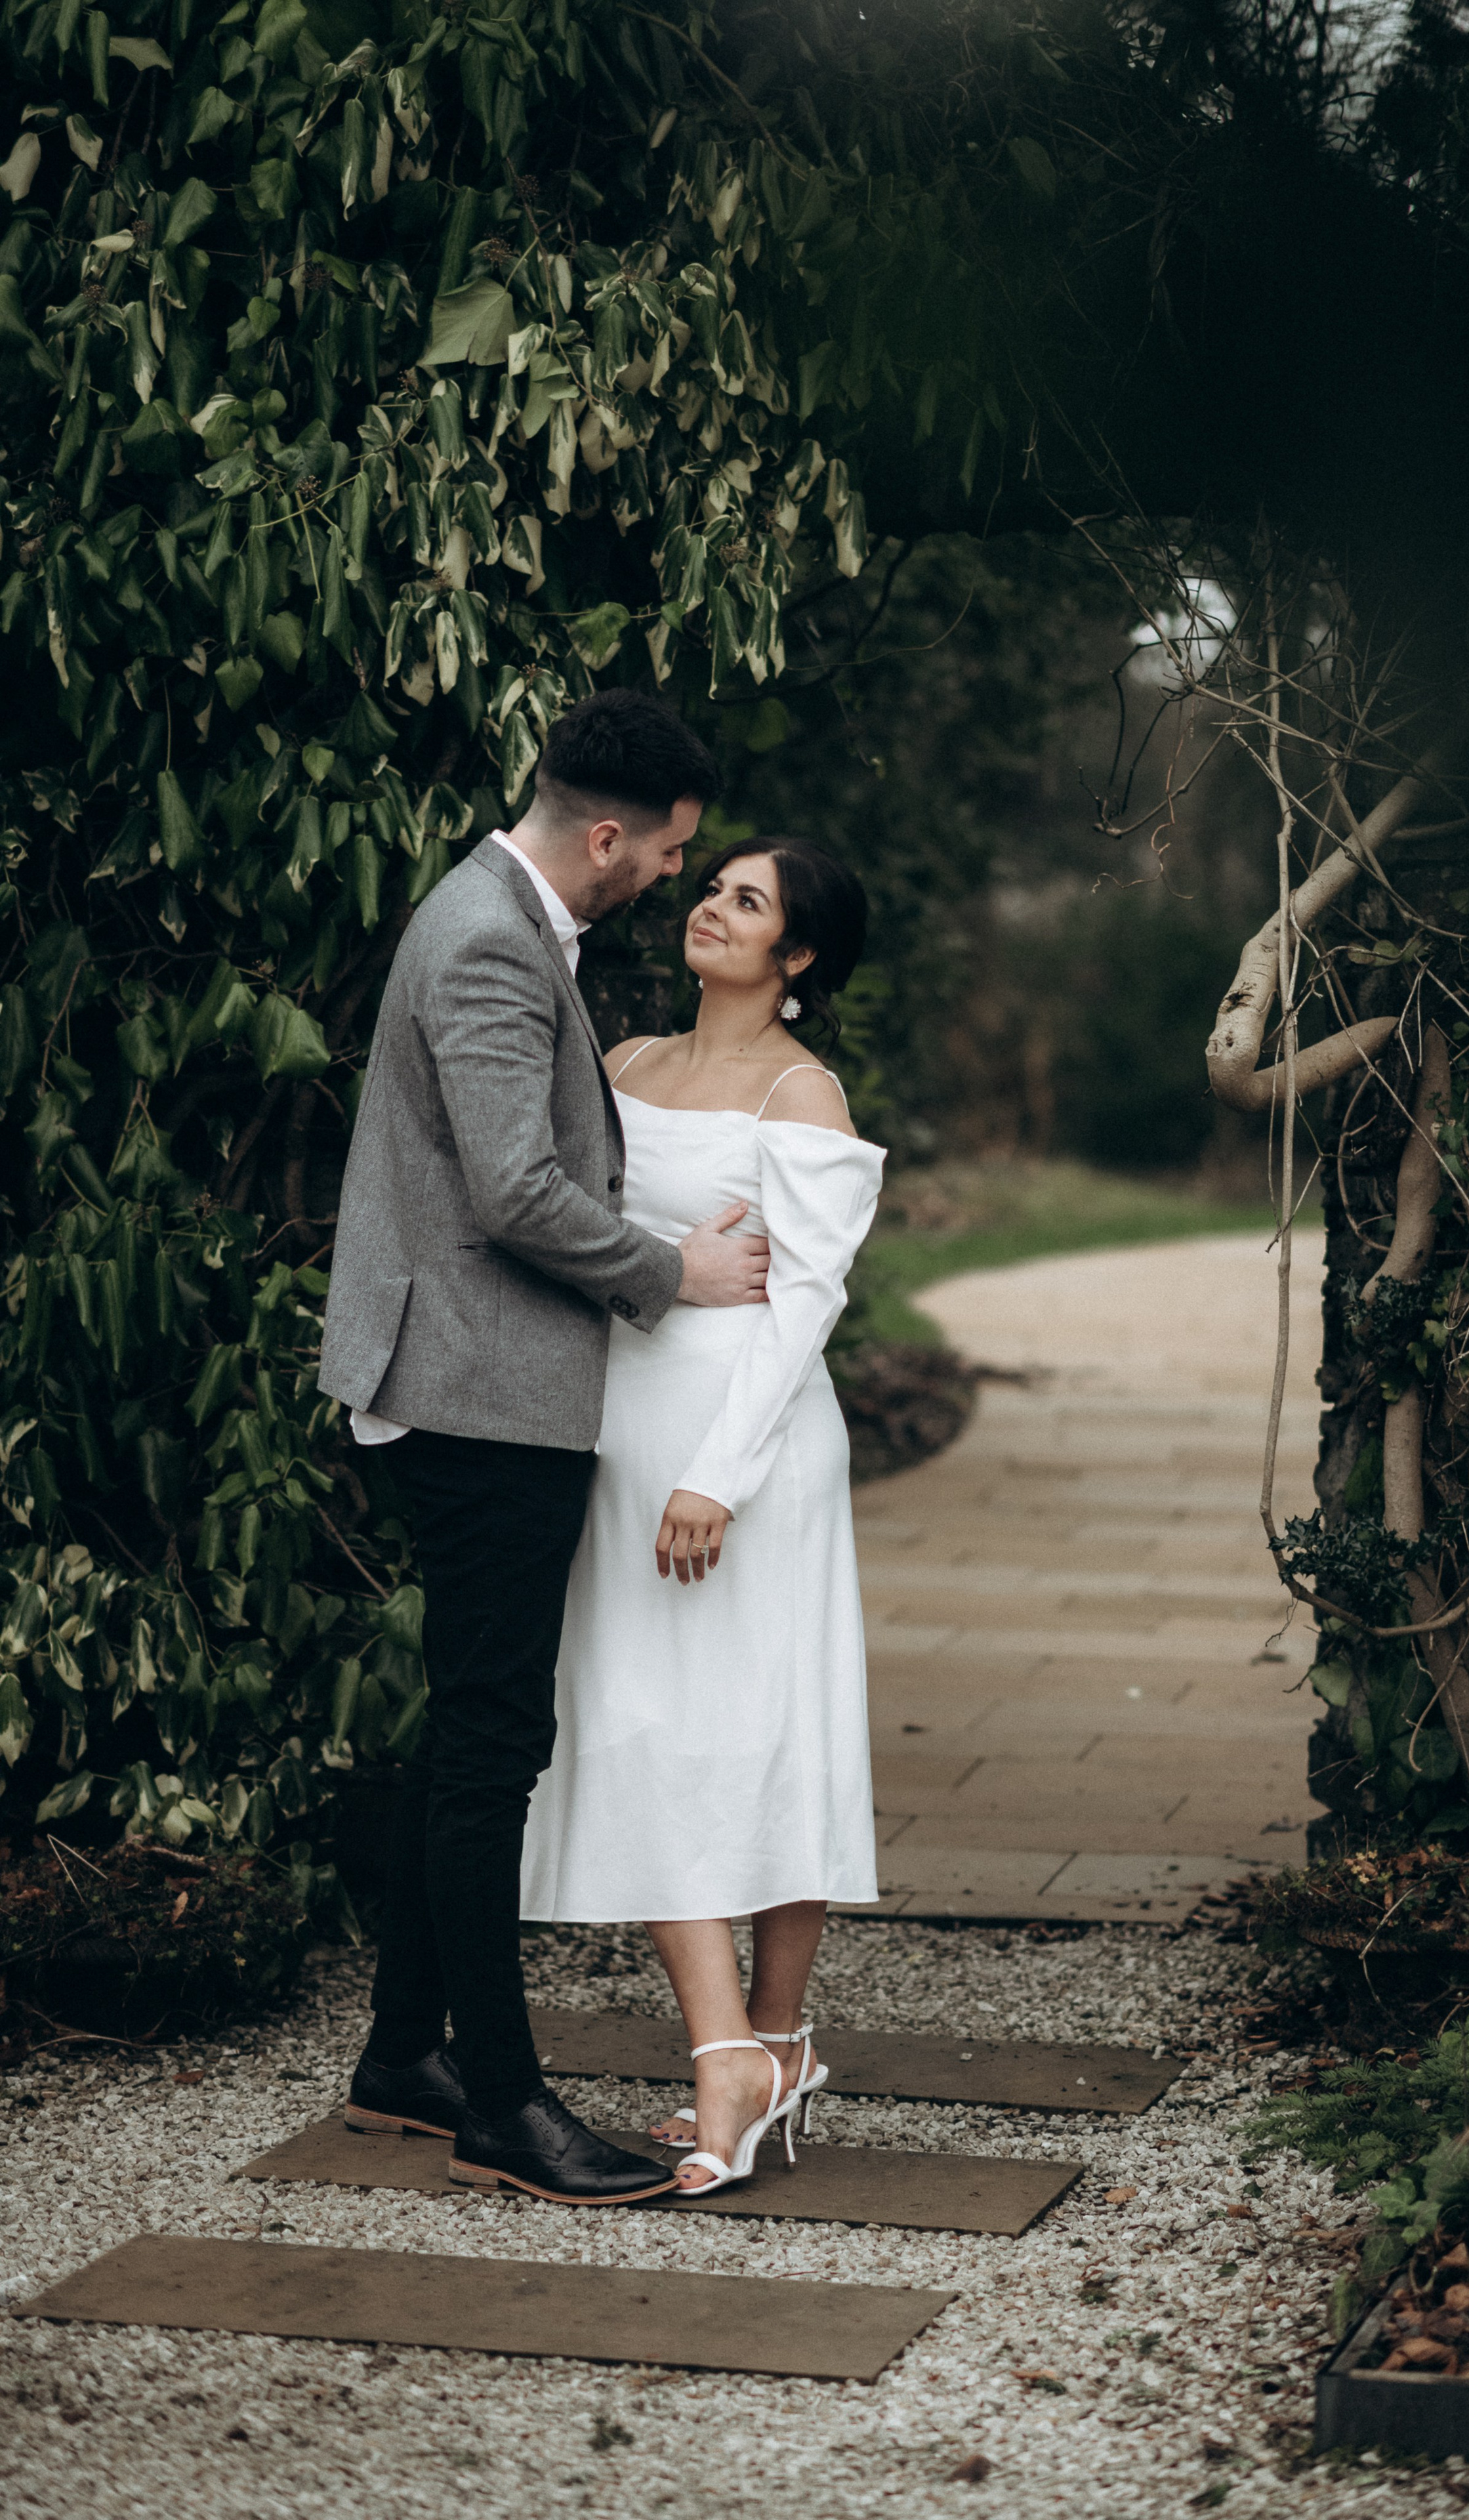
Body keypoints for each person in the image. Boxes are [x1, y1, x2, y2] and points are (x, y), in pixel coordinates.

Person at [318, 690, 773, 2208]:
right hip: (474, 1392)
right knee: (495, 1742)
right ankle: (501, 2105)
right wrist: (673, 1275)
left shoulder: (499, 915)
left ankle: (401, 2057)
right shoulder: (493, 944)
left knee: (464, 1720)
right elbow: (514, 1191)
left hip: (463, 1375)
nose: (669, 876)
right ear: (602, 834)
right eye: (667, 853)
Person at [520, 835, 884, 2196]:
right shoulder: (622, 1066)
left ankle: (770, 2043)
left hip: (746, 1448)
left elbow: (804, 1306)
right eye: (711, 888)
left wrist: (714, 1477)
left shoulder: (805, 1095)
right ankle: (730, 2046)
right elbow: (564, 1225)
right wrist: (667, 1268)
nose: (709, 910)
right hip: (624, 1432)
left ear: (795, 959)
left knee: (766, 1728)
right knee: (640, 1724)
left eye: (747, 903)